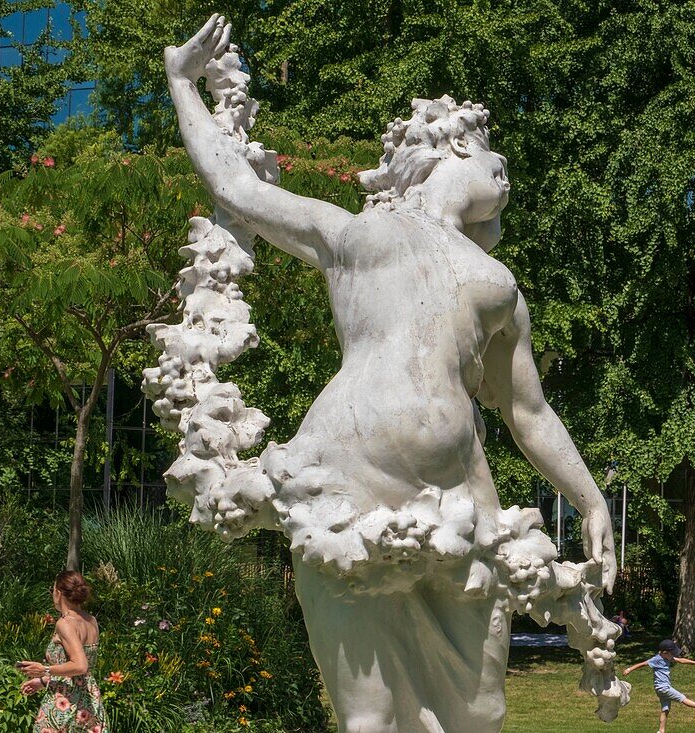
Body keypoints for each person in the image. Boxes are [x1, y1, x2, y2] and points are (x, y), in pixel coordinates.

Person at [164, 16, 620, 732]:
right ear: (458, 145)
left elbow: (527, 412)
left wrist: (589, 498)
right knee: (368, 719)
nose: (506, 183)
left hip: (460, 505)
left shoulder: (497, 282)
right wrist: (182, 80)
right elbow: (233, 182)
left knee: (480, 713)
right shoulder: (358, 232)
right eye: (499, 165)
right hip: (342, 488)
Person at [17, 571, 107, 733]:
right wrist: (44, 681)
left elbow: (80, 665)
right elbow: (78, 672)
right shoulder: (90, 620)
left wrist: (44, 669)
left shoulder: (65, 623)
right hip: (89, 702)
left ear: (58, 593)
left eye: (52, 590)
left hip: (67, 704)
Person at [622, 639, 695, 732]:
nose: (674, 655)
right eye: (672, 652)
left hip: (660, 689)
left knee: (665, 709)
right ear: (665, 652)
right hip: (663, 688)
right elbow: (643, 664)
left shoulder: (667, 657)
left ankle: (661, 730)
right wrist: (629, 669)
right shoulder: (656, 659)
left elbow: (681, 660)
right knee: (682, 698)